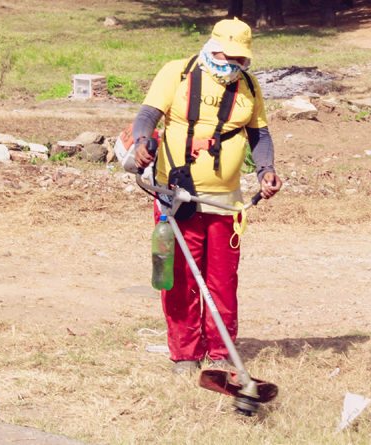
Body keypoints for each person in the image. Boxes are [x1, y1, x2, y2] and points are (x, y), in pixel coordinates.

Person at [132, 17, 282, 375]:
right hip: (175, 197)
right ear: (210, 47)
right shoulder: (177, 73)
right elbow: (147, 116)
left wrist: (266, 171)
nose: (232, 64)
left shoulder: (249, 86)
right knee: (179, 277)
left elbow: (260, 136)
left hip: (226, 203)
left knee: (222, 281)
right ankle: (185, 354)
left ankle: (220, 352)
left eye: (240, 59)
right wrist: (142, 142)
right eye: (225, 55)